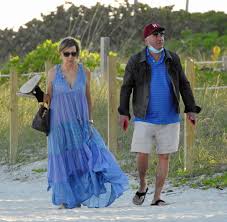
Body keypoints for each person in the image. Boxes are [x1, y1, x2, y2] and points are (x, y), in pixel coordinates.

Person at [118, 23, 201, 206]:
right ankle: (142, 184)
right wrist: (123, 112)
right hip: (144, 116)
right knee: (142, 153)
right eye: (155, 35)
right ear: (146, 39)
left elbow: (184, 84)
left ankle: (157, 196)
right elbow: (126, 88)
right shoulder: (136, 60)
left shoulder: (173, 58)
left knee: (164, 156)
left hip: (170, 117)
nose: (160, 37)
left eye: (162, 34)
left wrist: (191, 108)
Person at [43, 36, 128, 209]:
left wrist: (89, 120)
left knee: (88, 156)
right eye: (66, 53)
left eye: (73, 53)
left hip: (81, 122)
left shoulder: (85, 72)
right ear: (61, 54)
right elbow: (47, 99)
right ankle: (66, 200)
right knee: (63, 161)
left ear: (77, 54)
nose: (70, 57)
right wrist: (37, 95)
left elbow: (88, 99)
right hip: (58, 125)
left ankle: (82, 194)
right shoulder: (52, 73)